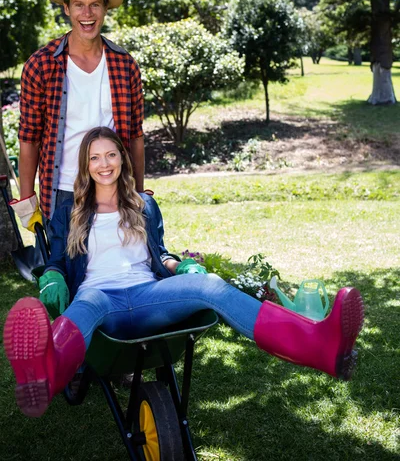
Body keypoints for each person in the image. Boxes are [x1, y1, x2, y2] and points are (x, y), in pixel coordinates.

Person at [3, 127, 365, 419]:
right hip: (100, 300)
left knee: (211, 286)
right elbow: (59, 263)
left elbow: (159, 254)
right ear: (86, 165)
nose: (104, 163)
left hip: (148, 296)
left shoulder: (143, 205)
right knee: (85, 306)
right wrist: (51, 276)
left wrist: (184, 265)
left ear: (122, 158)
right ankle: (43, 376)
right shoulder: (70, 211)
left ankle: (320, 346)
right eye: (95, 157)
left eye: (111, 154)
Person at [9, 0, 145, 234]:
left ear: (105, 9)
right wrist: (27, 203)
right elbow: (29, 138)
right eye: (79, 5)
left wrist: (139, 193)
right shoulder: (42, 65)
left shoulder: (124, 64)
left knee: (117, 271)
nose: (87, 14)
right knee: (64, 273)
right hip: (62, 193)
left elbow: (135, 136)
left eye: (94, 5)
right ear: (67, 9)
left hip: (114, 188)